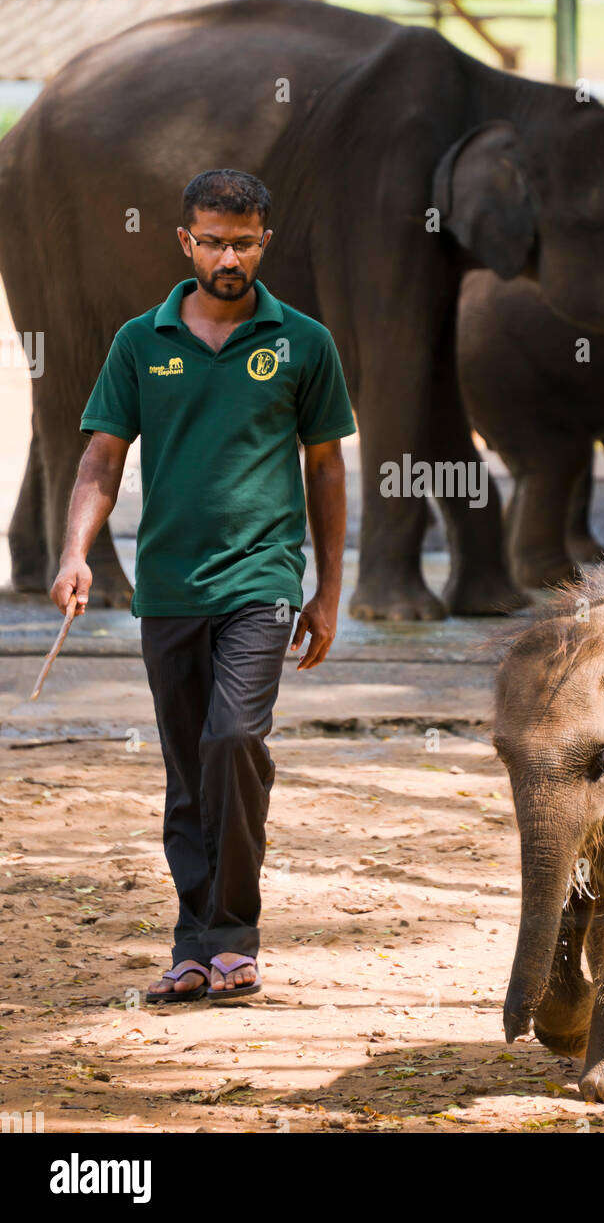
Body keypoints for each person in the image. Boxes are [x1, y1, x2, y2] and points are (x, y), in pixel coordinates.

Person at [50, 169, 356, 1002]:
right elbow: (100, 460)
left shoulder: (303, 343)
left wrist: (328, 591)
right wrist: (77, 553)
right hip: (169, 585)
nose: (230, 255)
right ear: (186, 242)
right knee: (187, 769)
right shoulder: (139, 342)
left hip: (261, 580)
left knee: (231, 742)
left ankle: (233, 934)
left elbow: (326, 471)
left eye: (245, 241)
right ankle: (194, 944)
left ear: (265, 240)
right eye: (214, 240)